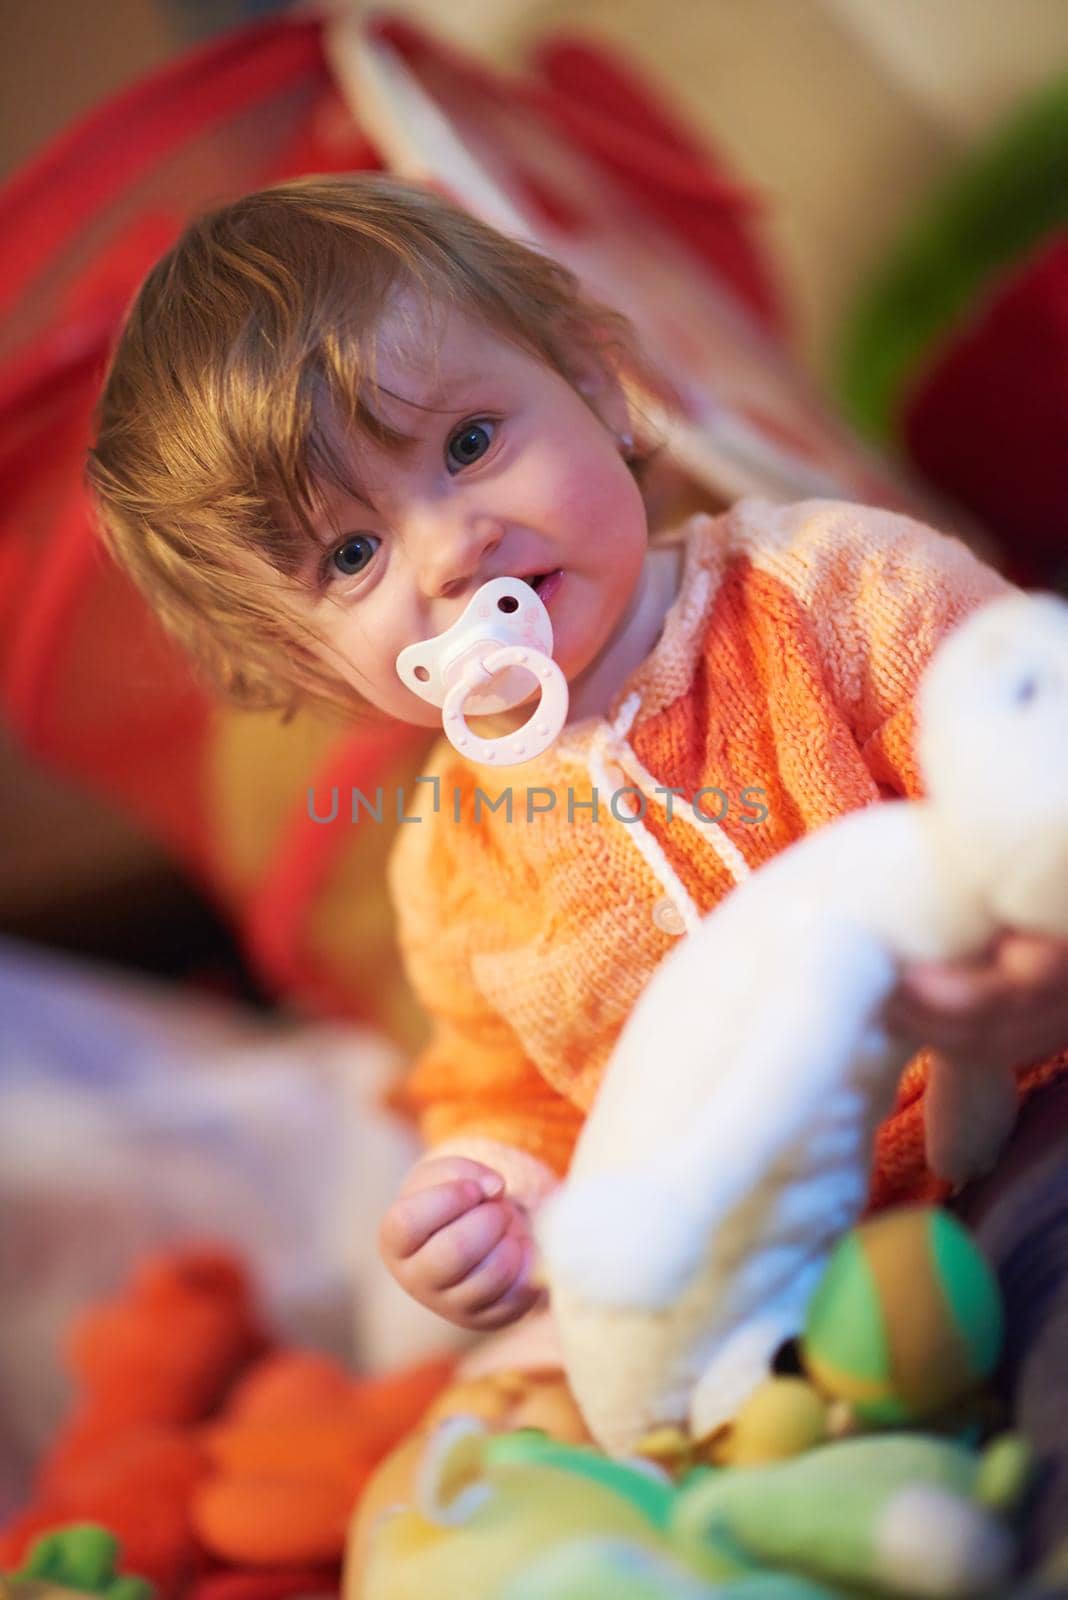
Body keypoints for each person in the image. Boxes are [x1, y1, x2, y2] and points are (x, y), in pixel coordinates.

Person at [87, 173, 1068, 1547]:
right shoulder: (448, 857)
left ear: (600, 388)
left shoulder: (836, 590)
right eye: (353, 552)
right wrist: (492, 1197)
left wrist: (1039, 959)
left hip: (1022, 1114)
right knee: (488, 1501)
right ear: (296, 661)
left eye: (472, 441)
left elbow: (1030, 768)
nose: (449, 548)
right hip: (760, 1279)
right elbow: (516, 1095)